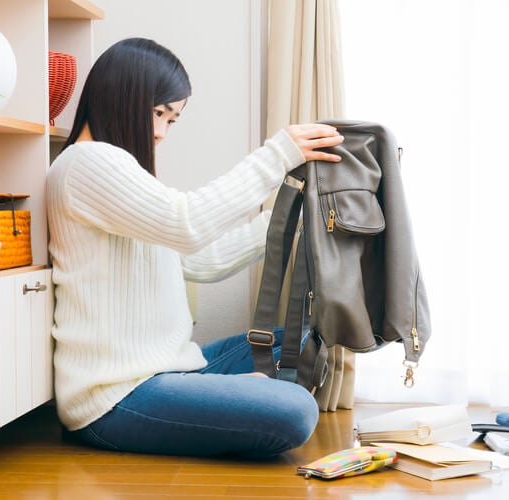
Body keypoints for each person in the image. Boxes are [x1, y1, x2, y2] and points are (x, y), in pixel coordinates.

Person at [46, 37, 344, 458]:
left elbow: (202, 259)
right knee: (296, 410)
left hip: (169, 368)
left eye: (171, 120)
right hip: (117, 396)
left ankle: (228, 394)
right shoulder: (86, 164)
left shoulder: (119, 169)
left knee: (304, 340)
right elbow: (185, 224)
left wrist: (296, 218)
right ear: (122, 94)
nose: (160, 132)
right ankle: (237, 395)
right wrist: (279, 155)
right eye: (158, 113)